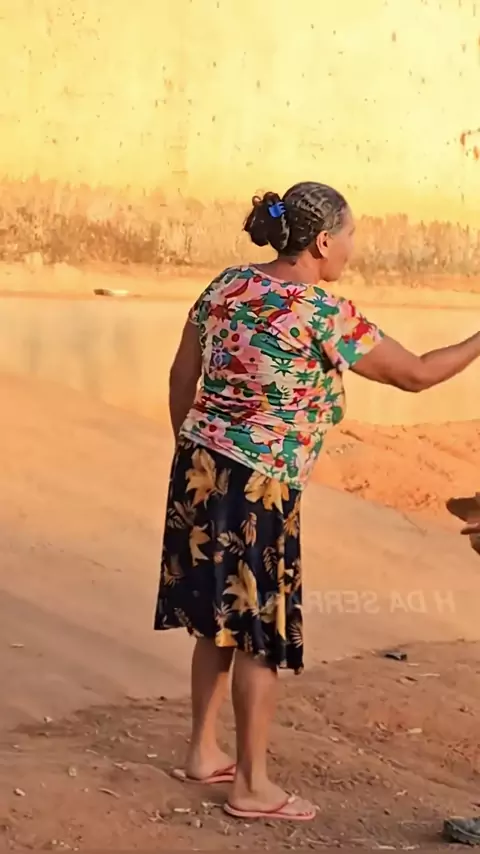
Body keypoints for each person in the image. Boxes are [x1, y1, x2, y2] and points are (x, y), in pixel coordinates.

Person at [154, 181, 480, 822]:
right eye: (351, 236)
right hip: (261, 485)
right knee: (259, 633)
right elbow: (416, 374)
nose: (353, 248)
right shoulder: (321, 312)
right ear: (324, 242)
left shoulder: (227, 285)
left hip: (199, 466)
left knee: (217, 617)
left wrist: (193, 452)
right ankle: (252, 786)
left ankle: (203, 751)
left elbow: (181, 375)